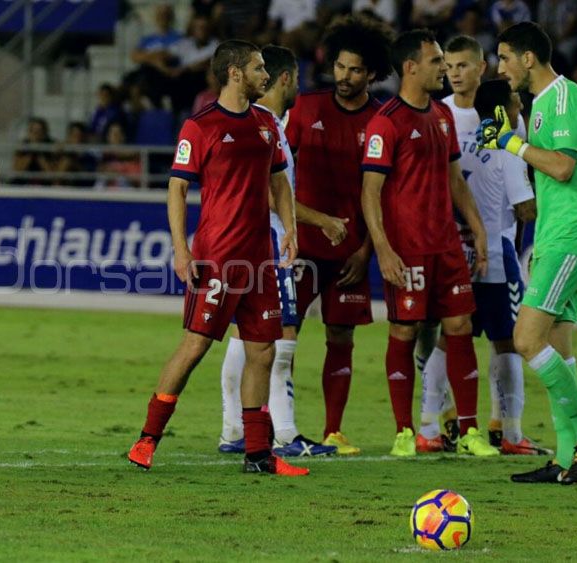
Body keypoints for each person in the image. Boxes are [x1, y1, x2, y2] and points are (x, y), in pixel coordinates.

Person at [127, 40, 308, 476]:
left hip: (260, 259)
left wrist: (291, 230)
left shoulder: (266, 124)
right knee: (196, 346)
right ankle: (146, 440)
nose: (266, 75)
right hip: (218, 259)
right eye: (259, 68)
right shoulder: (200, 126)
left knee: (263, 349)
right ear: (234, 73)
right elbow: (177, 188)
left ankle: (258, 454)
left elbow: (280, 182)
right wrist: (181, 249)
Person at [477, 22, 577, 484]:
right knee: (556, 344)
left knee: (525, 339)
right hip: (557, 236)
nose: (501, 67)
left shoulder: (564, 97)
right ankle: (566, 454)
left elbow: (563, 166)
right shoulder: (538, 107)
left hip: (572, 236)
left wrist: (510, 142)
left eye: (505, 57)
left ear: (528, 58)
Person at [361, 29, 497, 458]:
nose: (444, 68)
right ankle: (404, 430)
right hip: (408, 249)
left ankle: (471, 432)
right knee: (404, 330)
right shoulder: (386, 121)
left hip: (446, 246)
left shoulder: (442, 116)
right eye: (437, 61)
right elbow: (370, 192)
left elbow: (455, 179)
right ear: (411, 67)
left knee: (460, 328)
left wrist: (476, 227)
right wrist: (383, 247)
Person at [417, 36, 546, 456]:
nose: (453, 73)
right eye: (447, 65)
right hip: (458, 246)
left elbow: (514, 185)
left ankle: (497, 428)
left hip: (498, 242)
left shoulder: (503, 115)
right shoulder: (440, 116)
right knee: (456, 335)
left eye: (462, 65)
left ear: (481, 68)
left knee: (488, 338)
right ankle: (438, 426)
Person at [217, 45, 346, 458]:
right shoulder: (266, 125)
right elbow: (273, 195)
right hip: (267, 243)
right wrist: (321, 221)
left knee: (246, 334)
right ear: (285, 79)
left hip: (252, 241)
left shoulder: (267, 123)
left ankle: (234, 428)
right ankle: (285, 434)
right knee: (279, 336)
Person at [281, 14, 394, 456]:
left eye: (355, 70)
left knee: (341, 338)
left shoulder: (381, 121)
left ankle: (333, 431)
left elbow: (380, 195)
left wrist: (366, 250)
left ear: (372, 74)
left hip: (350, 254)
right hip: (303, 246)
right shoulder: (306, 109)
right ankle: (279, 425)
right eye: (341, 68)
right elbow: (277, 174)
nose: (345, 77)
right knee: (284, 334)